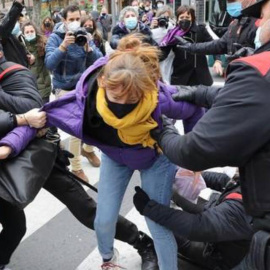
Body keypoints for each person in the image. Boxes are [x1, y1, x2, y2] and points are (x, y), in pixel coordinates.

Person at [0, 34, 204, 270]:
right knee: (103, 220)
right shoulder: (82, 104)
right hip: (115, 157)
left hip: (155, 158)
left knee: (158, 223)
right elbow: (39, 120)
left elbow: (194, 109)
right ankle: (108, 260)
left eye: (133, 101)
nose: (123, 108)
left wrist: (192, 159)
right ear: (104, 82)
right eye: (118, 98)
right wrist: (8, 146)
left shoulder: (156, 96)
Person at [149, 0, 270, 268]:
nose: (259, 22)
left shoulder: (260, 68)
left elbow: (194, 151)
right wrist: (200, 93)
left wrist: (161, 129)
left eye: (262, 13)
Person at [133, 171, 254, 270]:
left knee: (165, 231)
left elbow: (197, 227)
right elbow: (224, 181)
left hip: (218, 254)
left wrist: (150, 208)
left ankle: (147, 246)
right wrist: (185, 176)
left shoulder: (244, 209)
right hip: (220, 217)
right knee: (178, 192)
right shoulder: (255, 180)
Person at [45, 5, 102, 181]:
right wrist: (63, 46)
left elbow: (100, 61)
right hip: (63, 86)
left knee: (98, 116)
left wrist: (89, 48)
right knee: (77, 125)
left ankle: (88, 149)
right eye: (71, 19)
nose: (75, 22)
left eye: (78, 19)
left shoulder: (84, 35)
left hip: (82, 85)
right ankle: (76, 168)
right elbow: (49, 64)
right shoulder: (55, 38)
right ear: (64, 21)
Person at [175, 0, 259, 61]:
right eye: (228, 2)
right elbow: (218, 45)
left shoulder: (259, 23)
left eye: (233, 1)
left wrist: (252, 56)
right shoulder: (235, 24)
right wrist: (191, 47)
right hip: (235, 76)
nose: (231, 5)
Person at [159, 5, 223, 85]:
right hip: (180, 77)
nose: (184, 20)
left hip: (201, 77)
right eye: (181, 17)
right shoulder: (172, 34)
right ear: (177, 19)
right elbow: (163, 54)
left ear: (192, 18)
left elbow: (213, 46)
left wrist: (217, 60)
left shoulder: (201, 30)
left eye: (187, 17)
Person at [22, 21, 52, 104]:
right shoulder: (21, 47)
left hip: (43, 87)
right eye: (27, 32)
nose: (30, 33)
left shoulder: (43, 44)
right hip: (29, 88)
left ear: (36, 31)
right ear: (23, 34)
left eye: (32, 31)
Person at [0, 0, 30, 67]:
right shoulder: (3, 34)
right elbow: (5, 26)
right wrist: (17, 5)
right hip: (12, 73)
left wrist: (28, 56)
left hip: (22, 71)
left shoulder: (15, 36)